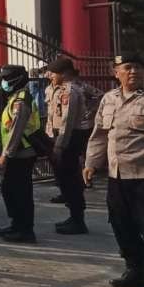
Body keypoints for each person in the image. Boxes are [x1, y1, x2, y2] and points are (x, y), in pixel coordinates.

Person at [84, 52, 144, 287]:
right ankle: (137, 269)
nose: (134, 72)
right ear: (116, 72)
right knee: (121, 224)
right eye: (128, 67)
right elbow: (100, 134)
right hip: (117, 175)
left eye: (138, 67)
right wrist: (91, 163)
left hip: (142, 175)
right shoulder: (109, 99)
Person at [44, 57, 89, 235]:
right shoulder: (57, 89)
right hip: (59, 135)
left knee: (71, 179)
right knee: (64, 178)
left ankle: (78, 219)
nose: (50, 76)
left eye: (53, 73)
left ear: (64, 74)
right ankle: (73, 215)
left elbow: (67, 121)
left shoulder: (69, 91)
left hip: (68, 137)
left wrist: (59, 145)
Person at [0, 65, 40, 243]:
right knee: (10, 190)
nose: (3, 82)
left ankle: (25, 230)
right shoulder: (15, 98)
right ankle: (16, 224)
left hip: (21, 152)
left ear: (17, 79)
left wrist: (5, 155)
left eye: (6, 79)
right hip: (16, 151)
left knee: (21, 193)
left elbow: (16, 130)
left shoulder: (20, 101)